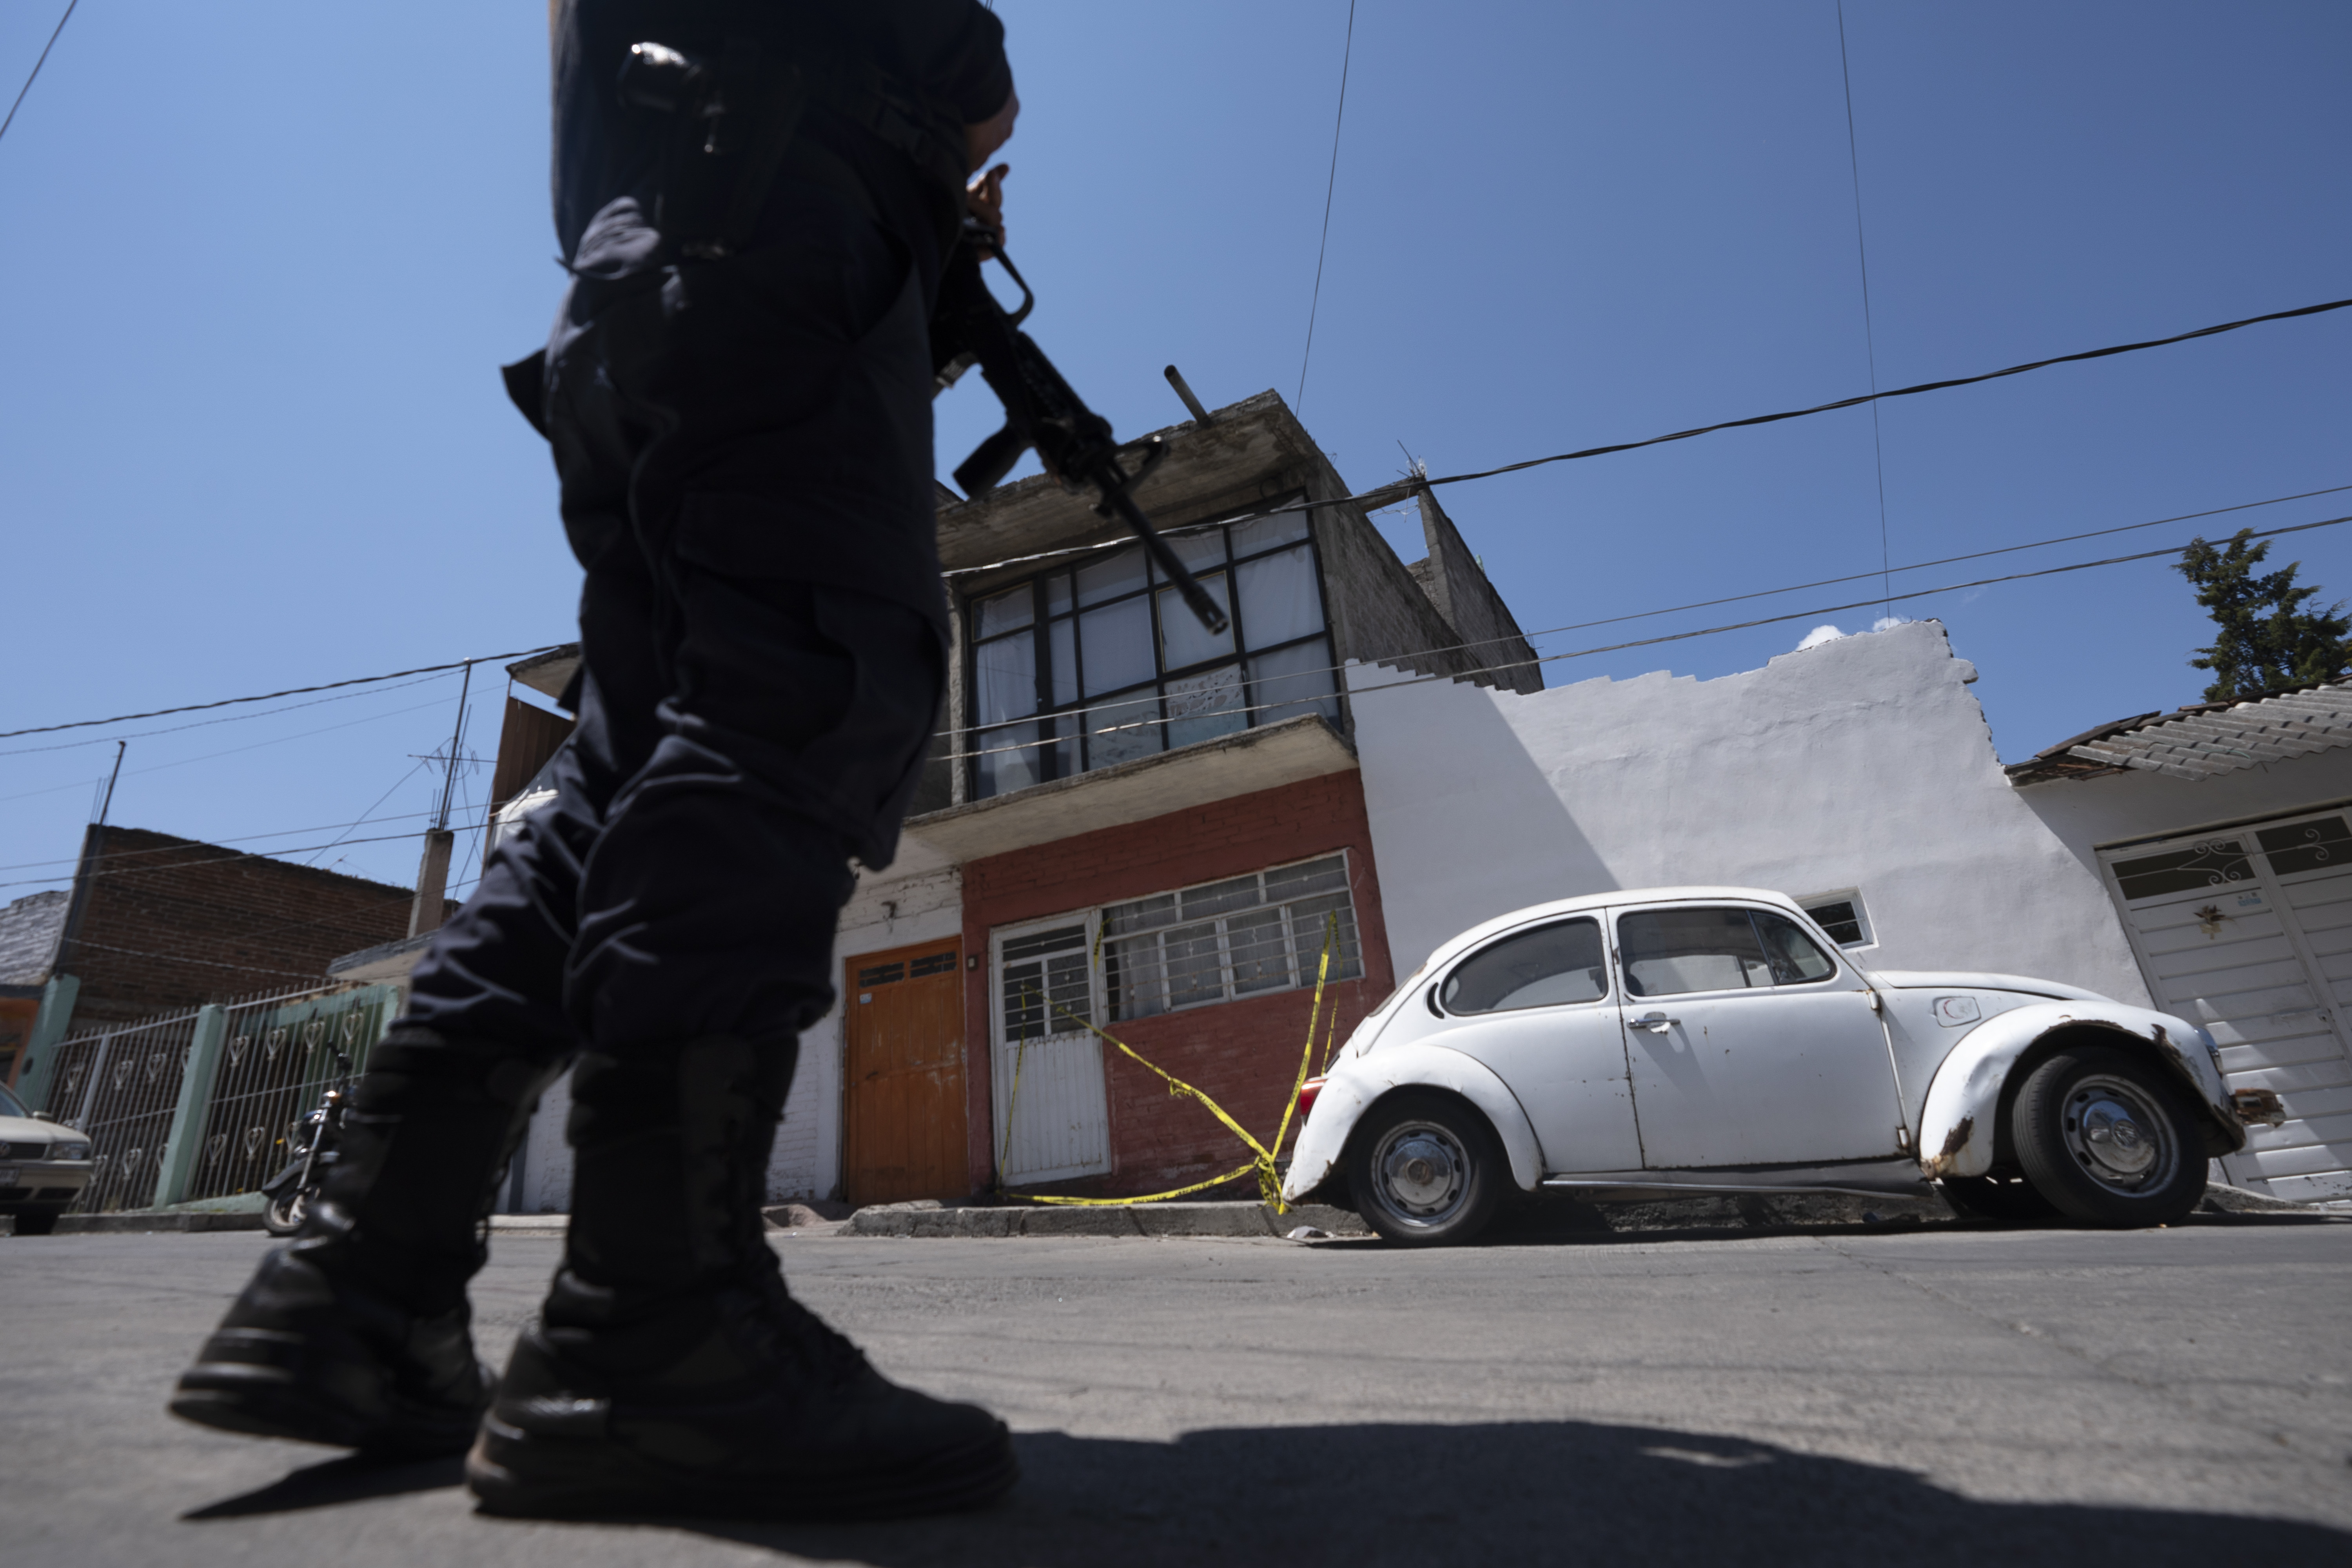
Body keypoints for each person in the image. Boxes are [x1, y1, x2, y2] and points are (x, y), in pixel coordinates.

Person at [169, 0, 1021, 1521]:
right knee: (795, 684)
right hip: (782, 218)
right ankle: (660, 1327)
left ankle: (360, 1283)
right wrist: (936, 158)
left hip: (652, 260)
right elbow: (970, 87)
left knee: (620, 778)